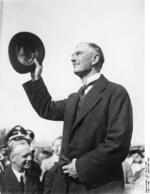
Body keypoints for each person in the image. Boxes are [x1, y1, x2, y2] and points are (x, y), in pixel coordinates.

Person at [23, 42, 133, 194]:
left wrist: (81, 167)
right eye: (73, 55)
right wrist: (36, 78)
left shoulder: (116, 93)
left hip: (98, 187)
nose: (72, 58)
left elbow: (118, 144)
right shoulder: (74, 98)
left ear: (94, 59)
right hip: (65, 187)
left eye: (78, 53)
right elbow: (47, 109)